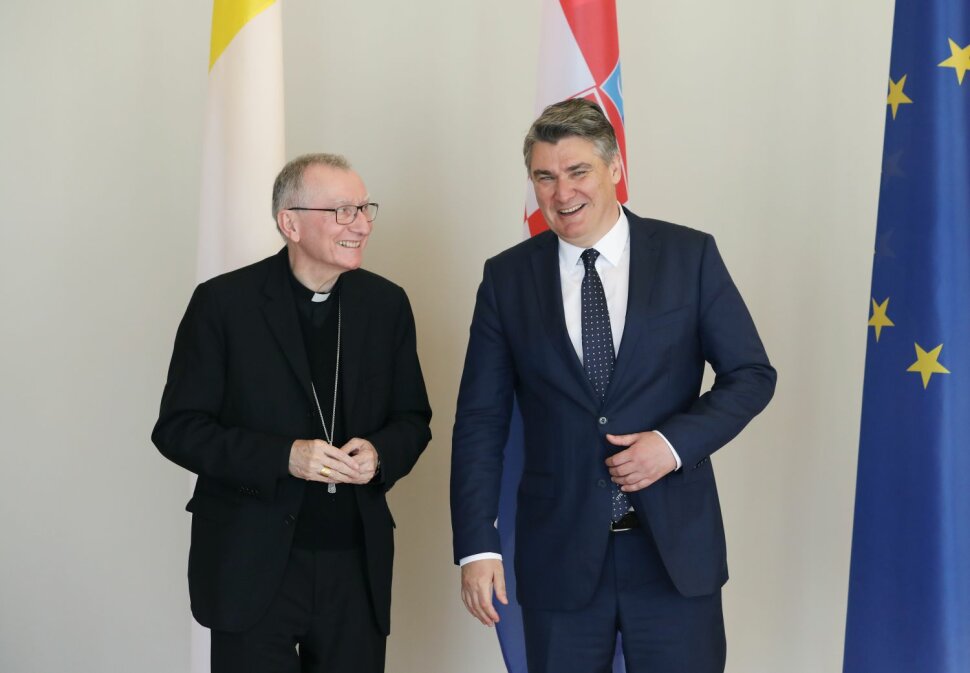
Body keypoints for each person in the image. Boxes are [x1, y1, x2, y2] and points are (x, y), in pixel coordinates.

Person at [451, 99, 776, 673]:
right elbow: (480, 421)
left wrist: (672, 446)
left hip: (674, 555)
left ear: (615, 168)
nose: (562, 192)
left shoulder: (689, 255)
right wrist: (477, 545)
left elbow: (751, 375)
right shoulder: (506, 278)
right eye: (544, 177)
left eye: (577, 171)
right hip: (559, 556)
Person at [153, 153, 432, 673]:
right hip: (251, 564)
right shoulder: (223, 304)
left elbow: (413, 418)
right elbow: (178, 429)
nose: (361, 225)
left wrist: (378, 454)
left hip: (355, 566)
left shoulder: (386, 304)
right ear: (290, 223)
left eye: (364, 209)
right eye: (343, 211)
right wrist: (285, 457)